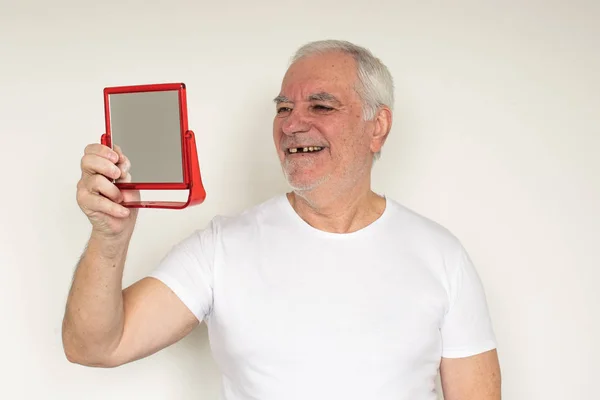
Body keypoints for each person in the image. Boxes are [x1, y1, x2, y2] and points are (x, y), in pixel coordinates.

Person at [62, 40, 501, 399]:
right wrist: (109, 235)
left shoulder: (442, 257)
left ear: (377, 126)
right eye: (283, 107)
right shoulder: (220, 248)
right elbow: (95, 345)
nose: (293, 124)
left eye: (321, 107)